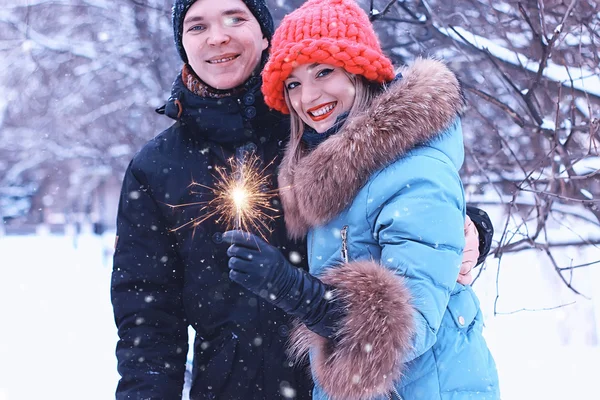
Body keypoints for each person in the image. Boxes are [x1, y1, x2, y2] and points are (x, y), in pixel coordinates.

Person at [111, 0, 493, 399]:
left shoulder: (317, 125)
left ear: (264, 34)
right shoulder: (157, 167)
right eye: (197, 26)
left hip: (353, 382)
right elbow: (147, 319)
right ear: (182, 44)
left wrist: (471, 227)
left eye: (235, 18)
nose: (218, 36)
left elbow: (404, 200)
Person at [224, 0, 500, 399]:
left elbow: (407, 331)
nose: (308, 96)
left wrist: (294, 291)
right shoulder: (327, 170)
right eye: (294, 83)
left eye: (323, 71)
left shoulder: (414, 172)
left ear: (359, 71)